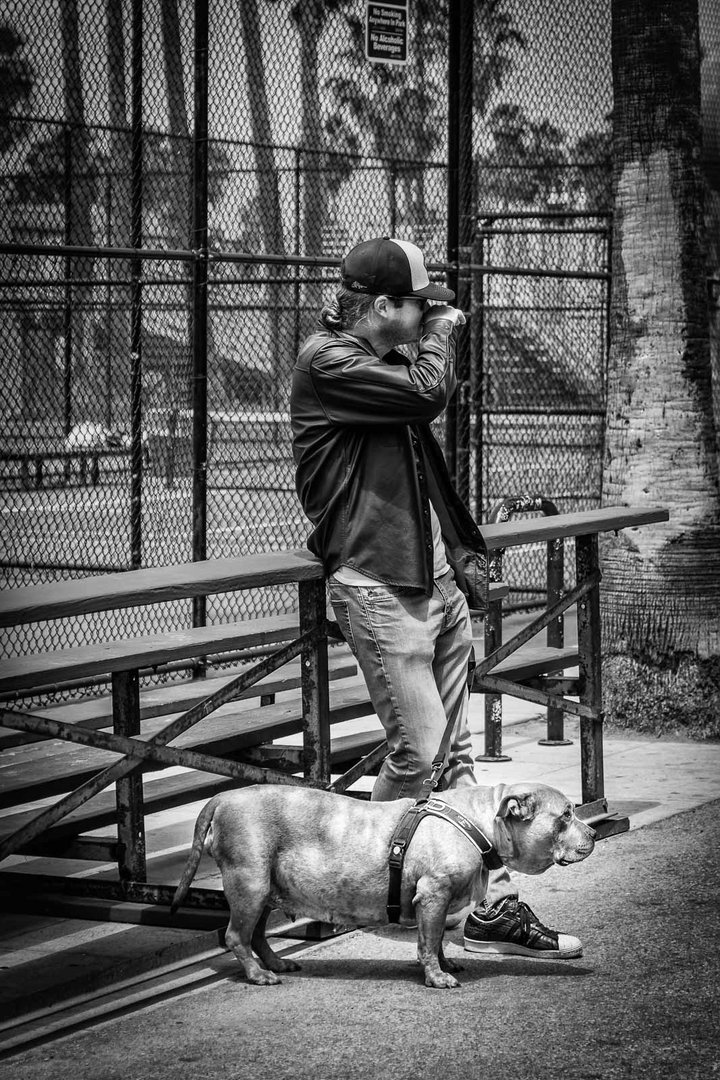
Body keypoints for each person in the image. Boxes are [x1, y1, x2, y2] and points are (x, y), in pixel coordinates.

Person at [290, 236, 582, 959]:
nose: (433, 316)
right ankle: (360, 890)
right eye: (422, 306)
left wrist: (462, 551)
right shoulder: (328, 363)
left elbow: (425, 466)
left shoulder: (385, 361)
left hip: (432, 583)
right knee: (418, 754)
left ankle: (473, 909)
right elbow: (428, 390)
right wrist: (443, 340)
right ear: (383, 306)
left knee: (451, 761)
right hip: (376, 584)